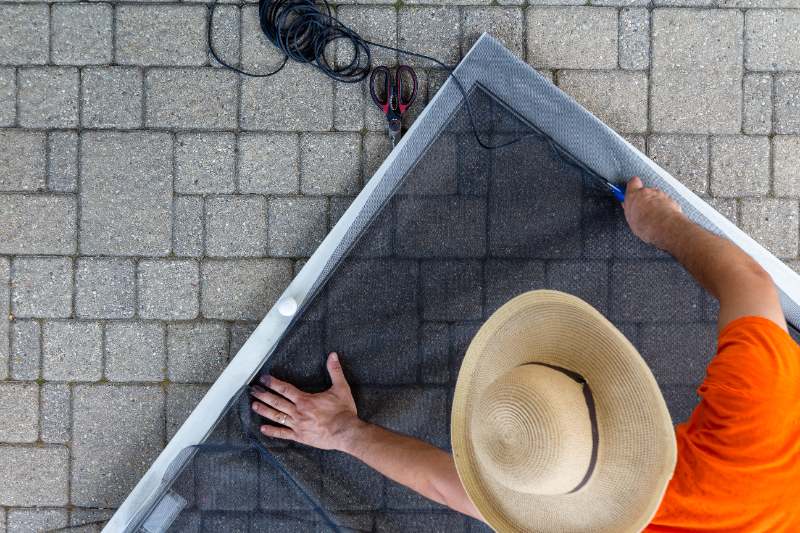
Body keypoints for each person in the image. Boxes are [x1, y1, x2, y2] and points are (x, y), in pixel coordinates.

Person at [250, 177, 800, 531]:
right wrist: (662, 223)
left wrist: (660, 223)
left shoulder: (758, 430)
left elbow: (748, 284)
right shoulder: (759, 428)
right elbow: (749, 283)